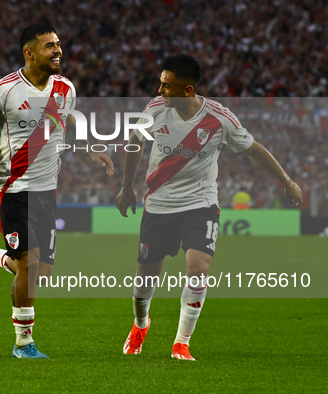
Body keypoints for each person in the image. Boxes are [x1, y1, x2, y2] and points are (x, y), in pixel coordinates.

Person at [115, 54, 302, 360]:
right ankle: (140, 324)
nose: (160, 90)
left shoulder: (219, 118)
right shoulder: (154, 110)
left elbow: (254, 150)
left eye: (167, 85)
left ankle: (181, 342)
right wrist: (127, 186)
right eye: (161, 83)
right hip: (159, 204)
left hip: (199, 204)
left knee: (197, 270)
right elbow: (135, 143)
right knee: (146, 275)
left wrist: (287, 180)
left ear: (187, 90)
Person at [0, 22, 114, 359]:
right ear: (29, 53)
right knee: (29, 264)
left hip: (47, 191)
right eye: (49, 46)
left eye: (58, 44)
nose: (57, 50)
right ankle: (23, 343)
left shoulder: (65, 88)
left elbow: (67, 120)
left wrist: (90, 147)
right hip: (12, 190)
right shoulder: (5, 89)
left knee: (40, 272)